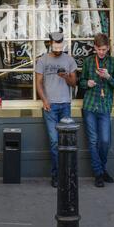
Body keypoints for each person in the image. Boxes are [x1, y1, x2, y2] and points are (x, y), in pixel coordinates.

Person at [35, 32, 77, 187]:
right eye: (55, 44)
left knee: (66, 142)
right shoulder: (42, 60)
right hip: (50, 106)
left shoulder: (69, 60)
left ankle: (67, 174)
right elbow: (38, 83)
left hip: (65, 104)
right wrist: (44, 100)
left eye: (60, 45)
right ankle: (57, 175)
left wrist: (66, 76)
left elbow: (74, 83)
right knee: (54, 142)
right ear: (50, 44)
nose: (58, 48)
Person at [80, 33, 114, 188]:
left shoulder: (113, 62)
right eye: (99, 49)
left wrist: (109, 77)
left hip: (104, 106)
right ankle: (98, 173)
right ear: (95, 48)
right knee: (93, 140)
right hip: (89, 106)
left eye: (104, 49)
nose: (101, 52)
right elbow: (81, 81)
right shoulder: (89, 61)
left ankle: (102, 169)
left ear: (108, 48)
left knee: (104, 141)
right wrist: (86, 83)